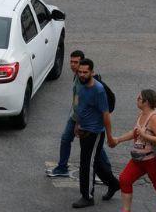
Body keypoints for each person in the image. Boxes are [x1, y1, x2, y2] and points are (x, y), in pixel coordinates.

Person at [108, 89, 156, 212]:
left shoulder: (155, 118)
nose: (137, 100)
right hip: (139, 158)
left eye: (139, 98)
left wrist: (145, 136)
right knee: (125, 179)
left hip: (154, 160)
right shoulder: (142, 114)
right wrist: (118, 140)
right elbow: (135, 133)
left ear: (146, 102)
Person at [47, 50, 112, 178]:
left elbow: (102, 110)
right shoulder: (78, 76)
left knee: (96, 148)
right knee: (66, 139)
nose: (72, 65)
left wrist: (80, 122)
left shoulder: (87, 81)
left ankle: (106, 172)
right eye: (71, 62)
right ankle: (62, 167)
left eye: (76, 62)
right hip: (76, 116)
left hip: (85, 120)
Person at [72, 58, 120, 208]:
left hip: (94, 133)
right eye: (80, 72)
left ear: (92, 72)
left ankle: (87, 196)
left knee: (87, 164)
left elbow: (106, 114)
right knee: (97, 163)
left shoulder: (98, 90)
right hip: (83, 130)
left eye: (85, 72)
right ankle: (114, 184)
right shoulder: (81, 84)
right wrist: (77, 124)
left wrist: (110, 137)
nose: (82, 75)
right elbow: (82, 106)